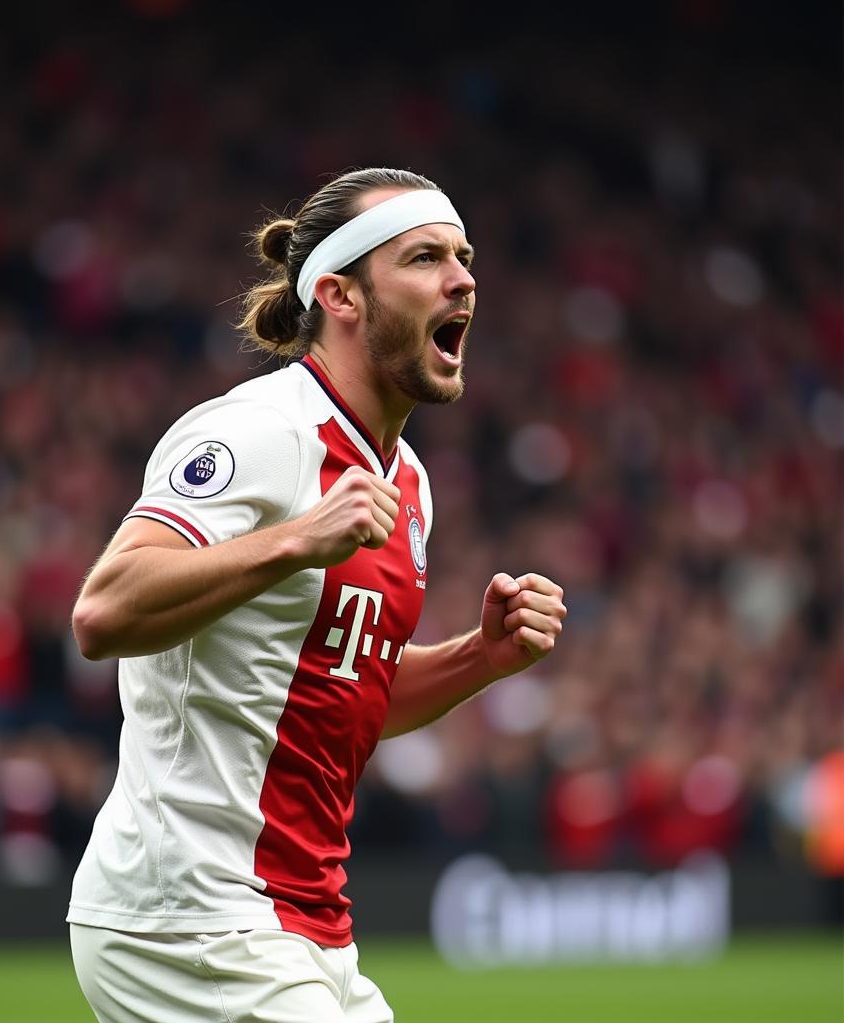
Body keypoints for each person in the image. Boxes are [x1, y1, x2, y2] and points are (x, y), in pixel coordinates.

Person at [66, 167, 566, 1023]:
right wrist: (296, 538)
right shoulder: (260, 430)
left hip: (307, 928)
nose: (462, 278)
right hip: (189, 916)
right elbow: (104, 612)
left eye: (464, 257)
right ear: (340, 294)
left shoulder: (406, 482)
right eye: (424, 257)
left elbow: (348, 690)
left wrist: (478, 659)